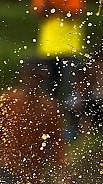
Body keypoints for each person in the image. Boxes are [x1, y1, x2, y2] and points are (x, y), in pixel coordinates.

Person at [32, 0, 86, 139]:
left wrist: (54, 6)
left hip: (70, 50)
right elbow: (40, 12)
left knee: (70, 92)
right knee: (47, 94)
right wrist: (61, 7)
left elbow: (74, 14)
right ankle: (45, 128)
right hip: (47, 50)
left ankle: (72, 130)